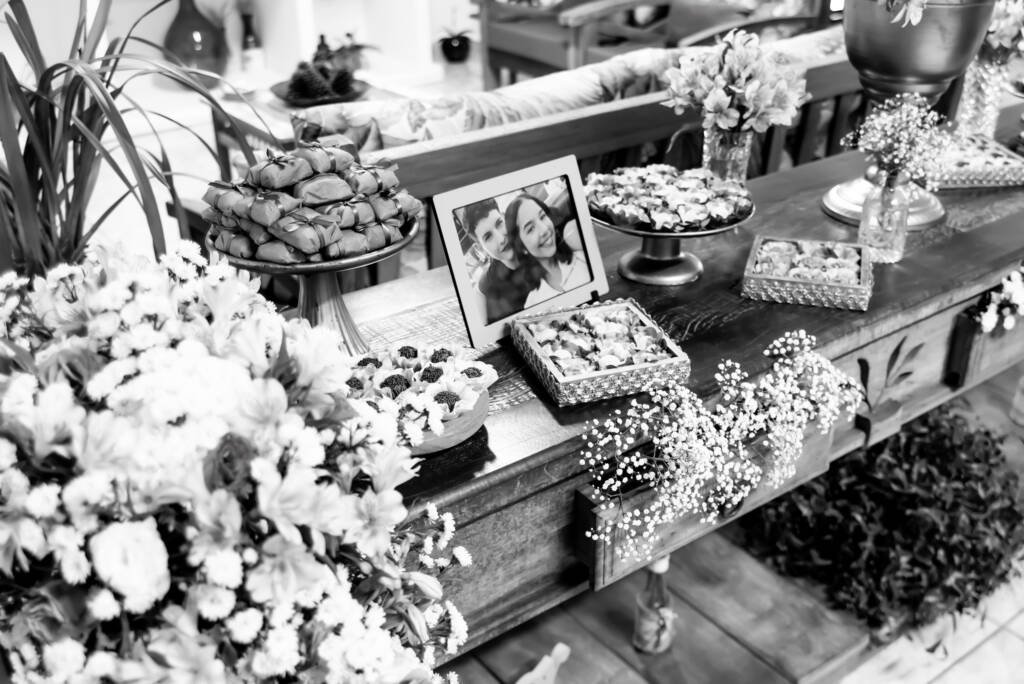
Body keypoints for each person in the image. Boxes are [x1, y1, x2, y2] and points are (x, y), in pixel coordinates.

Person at [505, 193, 590, 309]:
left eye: (542, 217)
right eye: (530, 229)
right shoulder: (533, 304)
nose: (544, 229)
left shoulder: (581, 255)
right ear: (522, 247)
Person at [459, 198, 536, 324]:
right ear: (481, 247)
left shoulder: (538, 242)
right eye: (488, 237)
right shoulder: (488, 284)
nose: (501, 239)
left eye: (499, 223)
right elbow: (479, 293)